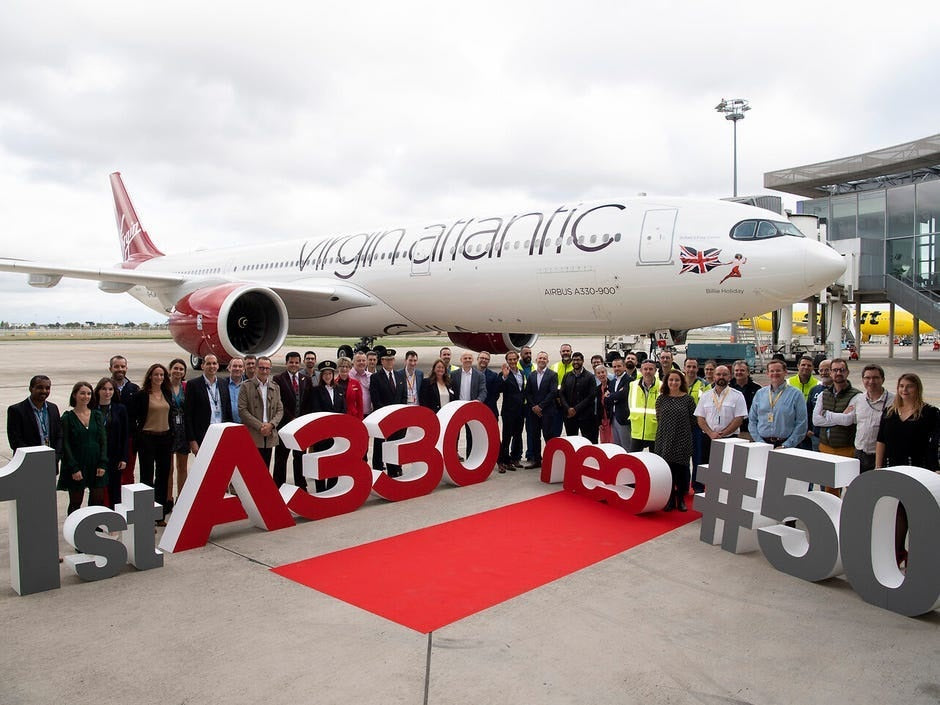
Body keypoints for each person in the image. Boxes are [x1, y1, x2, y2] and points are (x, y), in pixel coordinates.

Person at [875, 373, 940, 568]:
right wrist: (878, 466)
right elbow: (881, 440)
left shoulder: (930, 413)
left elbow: (937, 443)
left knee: (916, 513)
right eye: (901, 386)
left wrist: (937, 468)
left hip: (920, 469)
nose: (904, 390)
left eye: (909, 386)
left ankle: (917, 555)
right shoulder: (890, 412)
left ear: (917, 388)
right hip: (893, 467)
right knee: (896, 512)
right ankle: (897, 551)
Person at [132, 363, 175, 524]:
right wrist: (139, 436)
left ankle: (160, 514)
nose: (159, 378)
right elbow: (134, 417)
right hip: (147, 439)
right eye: (156, 374)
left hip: (165, 438)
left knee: (163, 477)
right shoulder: (142, 395)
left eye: (162, 375)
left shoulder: (167, 393)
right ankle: (146, 516)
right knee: (147, 478)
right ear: (150, 376)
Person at [57, 382, 108, 515]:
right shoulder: (67, 418)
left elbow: (103, 440)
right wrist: (74, 467)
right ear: (75, 395)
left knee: (98, 499)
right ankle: (73, 530)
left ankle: (94, 527)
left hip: (96, 463)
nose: (86, 396)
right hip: (77, 465)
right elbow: (65, 444)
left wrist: (102, 463)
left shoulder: (96, 415)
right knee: (75, 502)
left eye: (89, 393)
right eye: (82, 393)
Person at [694, 365, 748, 488]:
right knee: (705, 466)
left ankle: (724, 493)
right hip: (708, 437)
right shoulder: (705, 395)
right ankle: (702, 491)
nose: (721, 377)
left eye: (724, 374)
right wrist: (710, 433)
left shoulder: (737, 395)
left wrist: (723, 434)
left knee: (727, 469)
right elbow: (700, 418)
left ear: (730, 377)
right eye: (718, 374)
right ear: (714, 376)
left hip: (729, 438)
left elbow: (739, 418)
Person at [655, 370, 696, 511]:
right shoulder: (661, 399)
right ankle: (670, 499)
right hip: (664, 438)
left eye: (677, 380)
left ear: (681, 382)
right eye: (671, 380)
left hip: (682, 439)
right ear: (666, 382)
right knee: (668, 471)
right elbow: (659, 418)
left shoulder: (688, 400)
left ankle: (681, 499)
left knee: (681, 471)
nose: (673, 383)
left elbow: (692, 420)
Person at [273, 351, 314, 491]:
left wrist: (301, 420)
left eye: (296, 362)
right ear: (286, 363)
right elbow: (279, 403)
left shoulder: (306, 379)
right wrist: (291, 419)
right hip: (285, 425)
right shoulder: (278, 379)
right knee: (281, 457)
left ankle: (301, 486)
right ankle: (278, 485)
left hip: (300, 426)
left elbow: (308, 402)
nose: (294, 365)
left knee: (300, 456)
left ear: (300, 363)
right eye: (291, 362)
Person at [749, 359, 807, 449]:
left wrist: (786, 445)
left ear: (785, 372)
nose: (775, 373)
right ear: (767, 373)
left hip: (786, 444)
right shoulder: (760, 394)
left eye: (778, 370)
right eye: (772, 371)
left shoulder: (796, 394)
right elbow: (752, 420)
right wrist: (759, 442)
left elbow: (801, 424)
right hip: (762, 443)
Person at [90, 377, 129, 510]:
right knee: (96, 489)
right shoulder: (92, 409)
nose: (107, 392)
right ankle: (95, 517)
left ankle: (114, 516)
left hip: (115, 454)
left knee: (115, 488)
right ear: (98, 390)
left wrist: (124, 457)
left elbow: (125, 435)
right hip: (96, 455)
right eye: (104, 389)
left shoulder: (120, 409)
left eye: (110, 389)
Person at [238, 356, 283, 470]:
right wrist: (260, 426)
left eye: (267, 368)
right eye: (261, 368)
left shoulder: (275, 387)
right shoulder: (246, 386)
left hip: (269, 434)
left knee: (265, 468)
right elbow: (242, 410)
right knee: (251, 468)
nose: (264, 371)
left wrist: (271, 425)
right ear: (256, 368)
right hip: (254, 433)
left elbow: (280, 410)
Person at [7, 374, 63, 466]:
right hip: (27, 463)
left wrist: (56, 456)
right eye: (40, 387)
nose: (44, 391)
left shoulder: (53, 408)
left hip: (50, 462)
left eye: (47, 388)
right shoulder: (16, 410)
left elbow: (59, 434)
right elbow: (15, 441)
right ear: (31, 388)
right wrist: (35, 457)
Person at [812, 358, 861, 462]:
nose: (838, 373)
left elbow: (848, 420)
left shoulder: (857, 395)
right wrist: (840, 417)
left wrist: (825, 413)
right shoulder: (823, 394)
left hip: (846, 450)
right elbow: (816, 420)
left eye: (842, 370)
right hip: (824, 448)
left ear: (847, 372)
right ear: (830, 373)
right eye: (835, 370)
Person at [185, 353, 232, 455]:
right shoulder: (193, 385)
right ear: (202, 366)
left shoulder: (223, 383)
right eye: (208, 363)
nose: (212, 366)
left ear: (218, 366)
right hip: (202, 435)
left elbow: (227, 411)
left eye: (214, 363)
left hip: (220, 432)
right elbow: (188, 414)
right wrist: (192, 440)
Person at [308, 360, 345, 489]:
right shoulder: (316, 391)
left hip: (336, 433)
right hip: (322, 434)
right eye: (325, 374)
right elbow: (317, 411)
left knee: (334, 463)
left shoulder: (339, 389)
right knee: (322, 463)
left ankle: (332, 488)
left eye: (330, 373)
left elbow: (342, 410)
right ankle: (321, 489)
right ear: (321, 375)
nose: (328, 376)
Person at [853, 364, 893, 473]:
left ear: (882, 380)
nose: (871, 381)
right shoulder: (859, 399)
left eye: (875, 378)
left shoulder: (893, 401)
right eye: (867, 378)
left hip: (881, 455)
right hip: (859, 454)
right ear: (862, 380)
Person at [370, 349, 403, 476]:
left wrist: (398, 412)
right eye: (386, 359)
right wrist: (387, 414)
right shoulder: (376, 377)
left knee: (394, 445)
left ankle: (394, 470)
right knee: (380, 445)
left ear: (394, 361)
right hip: (383, 418)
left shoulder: (399, 375)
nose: (389, 362)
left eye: (391, 359)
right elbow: (375, 399)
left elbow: (403, 395)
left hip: (397, 418)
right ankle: (377, 471)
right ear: (382, 361)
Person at [523, 351, 559, 467]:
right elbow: (528, 392)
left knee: (548, 436)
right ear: (536, 360)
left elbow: (553, 393)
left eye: (544, 358)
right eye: (540, 358)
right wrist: (534, 406)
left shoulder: (552, 375)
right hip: (534, 412)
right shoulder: (532, 375)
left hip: (547, 411)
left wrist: (541, 406)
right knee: (535, 436)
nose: (542, 360)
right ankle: (537, 460)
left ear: (547, 361)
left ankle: (549, 460)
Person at [109, 355, 139, 484]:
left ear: (126, 368)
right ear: (110, 368)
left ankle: (127, 502)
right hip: (109, 437)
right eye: (116, 366)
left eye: (122, 366)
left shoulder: (134, 389)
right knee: (110, 472)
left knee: (128, 472)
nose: (120, 369)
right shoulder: (104, 388)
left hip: (129, 437)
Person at [559, 352, 598, 442]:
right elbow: (562, 393)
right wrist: (568, 408)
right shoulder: (567, 376)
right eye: (574, 360)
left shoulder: (590, 377)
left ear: (583, 361)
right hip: (570, 416)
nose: (576, 362)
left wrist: (575, 409)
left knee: (589, 440)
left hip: (586, 415)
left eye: (578, 360)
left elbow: (591, 396)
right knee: (572, 442)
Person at [497, 351, 525, 472]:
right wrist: (504, 377)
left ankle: (514, 458)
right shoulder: (504, 374)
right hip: (508, 411)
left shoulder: (522, 373)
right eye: (510, 360)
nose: (512, 362)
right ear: (507, 361)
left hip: (520, 410)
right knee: (507, 436)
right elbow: (499, 389)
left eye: (514, 359)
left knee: (517, 435)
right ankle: (503, 461)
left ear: (518, 359)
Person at [167, 357, 189, 512]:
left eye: (181, 369)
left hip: (183, 431)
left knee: (182, 467)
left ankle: (181, 498)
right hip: (168, 430)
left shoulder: (186, 387)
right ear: (170, 370)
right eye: (175, 368)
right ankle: (167, 499)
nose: (178, 371)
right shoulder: (163, 387)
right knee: (168, 468)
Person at [629, 359, 659, 452]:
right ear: (641, 371)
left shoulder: (662, 386)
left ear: (655, 370)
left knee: (656, 462)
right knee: (634, 461)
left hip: (655, 432)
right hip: (637, 431)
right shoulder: (632, 385)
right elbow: (630, 404)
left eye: (651, 369)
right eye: (645, 369)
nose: (648, 371)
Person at [730, 360, 761, 441]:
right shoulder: (728, 388)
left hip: (749, 429)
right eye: (736, 370)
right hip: (730, 429)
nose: (739, 372)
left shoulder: (757, 388)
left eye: (742, 370)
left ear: (748, 372)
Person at [805, 359, 832, 451]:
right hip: (816, 436)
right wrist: (808, 429)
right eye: (821, 370)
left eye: (827, 370)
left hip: (833, 438)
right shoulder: (814, 390)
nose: (824, 373)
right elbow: (808, 411)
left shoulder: (838, 391)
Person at [517, 346, 538, 466]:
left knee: (531, 431)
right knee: (517, 432)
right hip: (519, 404)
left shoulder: (534, 366)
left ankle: (531, 455)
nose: (528, 355)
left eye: (530, 353)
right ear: (521, 355)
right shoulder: (516, 366)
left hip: (530, 404)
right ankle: (517, 455)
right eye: (526, 353)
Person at [605, 357, 631, 450]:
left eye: (619, 366)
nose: (616, 369)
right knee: (617, 447)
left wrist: (611, 395)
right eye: (614, 367)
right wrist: (614, 396)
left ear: (624, 367)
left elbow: (622, 395)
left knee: (626, 446)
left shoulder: (629, 380)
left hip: (623, 418)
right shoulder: (612, 382)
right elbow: (606, 399)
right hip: (614, 417)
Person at [477, 351, 501, 421]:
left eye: (486, 359)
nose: (484, 360)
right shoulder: (471, 374)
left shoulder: (494, 375)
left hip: (490, 411)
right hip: (474, 411)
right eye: (482, 358)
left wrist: (484, 407)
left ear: (489, 361)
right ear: (477, 359)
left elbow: (496, 395)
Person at [593, 363, 614, 444]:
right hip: (603, 420)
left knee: (612, 442)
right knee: (604, 442)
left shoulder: (612, 385)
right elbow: (598, 406)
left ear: (606, 373)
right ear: (596, 375)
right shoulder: (597, 389)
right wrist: (599, 422)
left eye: (603, 372)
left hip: (611, 419)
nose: (601, 375)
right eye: (598, 373)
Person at [351, 351, 372, 416]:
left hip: (368, 413)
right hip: (353, 414)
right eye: (359, 360)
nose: (361, 363)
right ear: (353, 362)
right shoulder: (348, 376)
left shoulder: (371, 376)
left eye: (363, 360)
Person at [226, 357, 245, 423]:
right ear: (229, 368)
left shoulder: (249, 385)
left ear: (244, 369)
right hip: (227, 424)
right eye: (234, 366)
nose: (237, 369)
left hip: (244, 424)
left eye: (240, 366)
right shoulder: (222, 384)